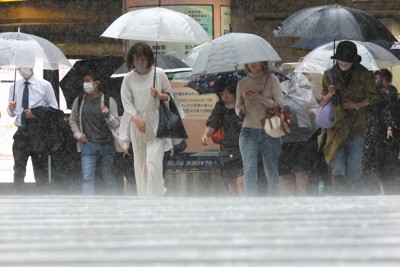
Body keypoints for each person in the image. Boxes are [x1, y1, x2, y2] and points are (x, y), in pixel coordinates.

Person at [320, 40, 382, 195]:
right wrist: (330, 94)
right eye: (341, 60)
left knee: (355, 169)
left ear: (354, 60)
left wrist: (356, 105)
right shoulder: (329, 75)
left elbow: (375, 97)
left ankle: (357, 200)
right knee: (338, 167)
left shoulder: (364, 74)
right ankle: (341, 199)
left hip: (356, 126)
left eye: (347, 61)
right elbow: (321, 101)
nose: (344, 64)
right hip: (336, 127)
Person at [120, 42, 173, 197]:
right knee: (141, 164)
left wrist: (159, 94)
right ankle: (144, 197)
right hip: (138, 124)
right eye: (137, 60)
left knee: (153, 163)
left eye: (143, 60)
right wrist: (135, 119)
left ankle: (156, 193)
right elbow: (126, 101)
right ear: (131, 60)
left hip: (156, 123)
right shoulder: (128, 78)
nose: (140, 63)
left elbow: (170, 97)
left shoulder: (160, 74)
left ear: (149, 58)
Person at [7, 54, 59, 191]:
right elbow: (12, 113)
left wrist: (36, 113)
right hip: (21, 132)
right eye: (18, 66)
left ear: (31, 66)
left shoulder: (44, 85)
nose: (21, 69)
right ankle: (17, 197)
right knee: (18, 168)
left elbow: (55, 110)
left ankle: (41, 200)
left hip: (38, 132)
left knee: (40, 170)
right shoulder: (14, 86)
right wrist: (10, 109)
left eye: (23, 65)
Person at [236, 61, 283, 196]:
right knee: (249, 169)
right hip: (248, 131)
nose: (252, 63)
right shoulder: (242, 83)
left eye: (255, 60)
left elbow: (280, 105)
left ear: (263, 62)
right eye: (249, 61)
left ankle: (274, 203)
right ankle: (251, 204)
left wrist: (260, 98)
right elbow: (237, 107)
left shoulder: (272, 80)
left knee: (271, 170)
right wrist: (240, 111)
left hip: (270, 131)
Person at [69, 70, 120, 195]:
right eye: (84, 81)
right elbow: (72, 120)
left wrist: (107, 115)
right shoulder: (79, 101)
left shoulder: (109, 100)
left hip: (107, 145)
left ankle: (112, 203)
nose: (85, 84)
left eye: (88, 81)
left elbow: (117, 124)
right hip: (88, 145)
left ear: (96, 83)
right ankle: (88, 204)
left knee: (108, 176)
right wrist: (78, 134)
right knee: (87, 177)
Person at [201, 76, 244, 197]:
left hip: (244, 146)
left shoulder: (243, 105)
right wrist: (205, 135)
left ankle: (244, 204)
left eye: (228, 93)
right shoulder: (219, 107)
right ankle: (235, 205)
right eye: (222, 93)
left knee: (242, 180)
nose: (225, 96)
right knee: (230, 180)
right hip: (227, 147)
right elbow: (213, 123)